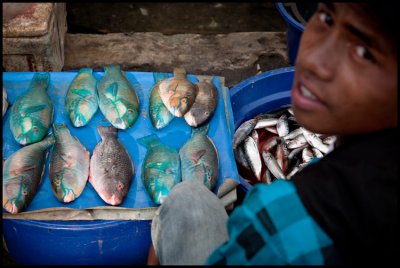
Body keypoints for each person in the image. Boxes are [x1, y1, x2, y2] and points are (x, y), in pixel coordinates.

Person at [147, 3, 398, 265]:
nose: (315, 61)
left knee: (185, 199)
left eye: (363, 52)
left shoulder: (279, 220)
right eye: (326, 17)